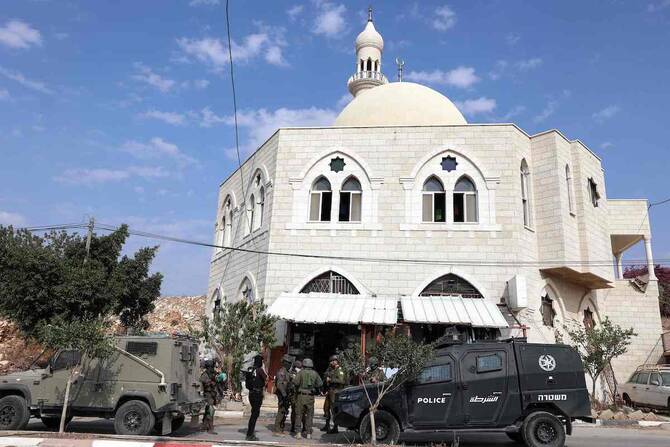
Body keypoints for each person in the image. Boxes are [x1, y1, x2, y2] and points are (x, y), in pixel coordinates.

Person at [293, 358, 323, 439]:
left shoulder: (300, 373)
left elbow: (296, 382)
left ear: (304, 364)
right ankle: (308, 434)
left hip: (301, 396)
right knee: (309, 415)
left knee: (299, 414)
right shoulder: (315, 373)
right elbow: (320, 384)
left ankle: (298, 433)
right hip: (310, 397)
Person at [321, 354, 347, 434]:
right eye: (331, 361)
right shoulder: (331, 369)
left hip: (336, 391)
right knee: (326, 408)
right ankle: (327, 425)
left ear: (337, 361)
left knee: (334, 410)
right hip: (330, 391)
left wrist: (331, 380)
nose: (331, 362)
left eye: (333, 361)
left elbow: (342, 381)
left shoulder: (340, 370)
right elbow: (326, 378)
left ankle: (335, 427)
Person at [245, 354, 268, 441]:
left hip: (251, 393)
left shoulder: (250, 369)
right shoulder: (259, 370)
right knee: (254, 415)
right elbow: (266, 378)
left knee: (253, 413)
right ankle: (250, 434)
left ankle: (250, 432)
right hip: (257, 394)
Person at [273, 354, 292, 434]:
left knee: (284, 411)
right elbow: (279, 384)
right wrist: (284, 395)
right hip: (282, 394)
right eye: (289, 363)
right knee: (281, 411)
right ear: (285, 363)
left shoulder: (287, 372)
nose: (290, 365)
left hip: (286, 394)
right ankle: (277, 429)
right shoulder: (282, 372)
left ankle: (281, 427)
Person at [199, 359, 218, 434]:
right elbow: (202, 382)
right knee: (211, 411)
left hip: (212, 394)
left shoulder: (212, 374)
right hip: (208, 394)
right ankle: (210, 428)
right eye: (211, 367)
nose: (212, 369)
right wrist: (210, 383)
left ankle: (204, 426)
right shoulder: (205, 375)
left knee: (208, 410)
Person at [288, 359, 302, 435]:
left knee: (299, 411)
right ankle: (293, 426)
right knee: (294, 411)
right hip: (294, 394)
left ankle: (297, 426)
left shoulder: (302, 373)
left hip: (299, 394)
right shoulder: (292, 373)